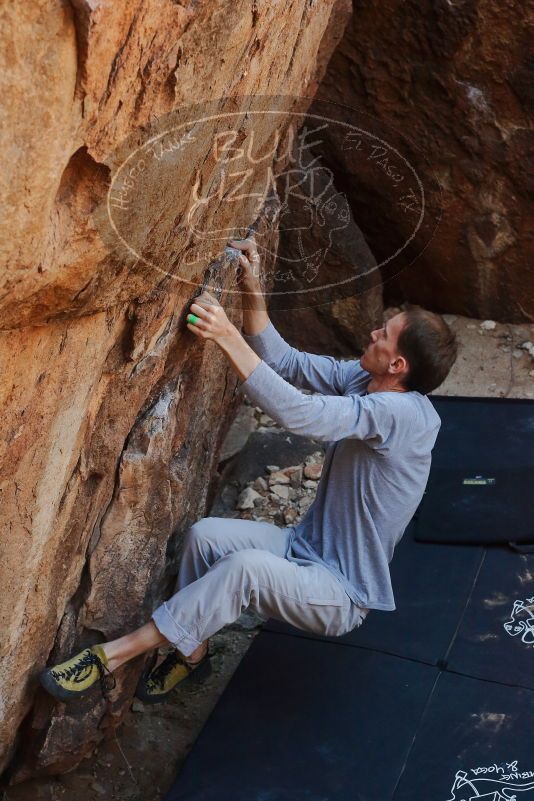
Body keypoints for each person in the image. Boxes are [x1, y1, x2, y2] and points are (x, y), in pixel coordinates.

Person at [40, 236, 458, 704]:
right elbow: (286, 363)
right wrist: (251, 287)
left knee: (244, 570)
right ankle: (192, 655)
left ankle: (112, 656)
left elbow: (302, 414)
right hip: (305, 547)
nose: (373, 334)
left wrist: (226, 336)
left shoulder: (400, 416)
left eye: (384, 334)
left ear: (398, 365)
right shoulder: (367, 380)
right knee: (205, 537)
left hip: (339, 590)